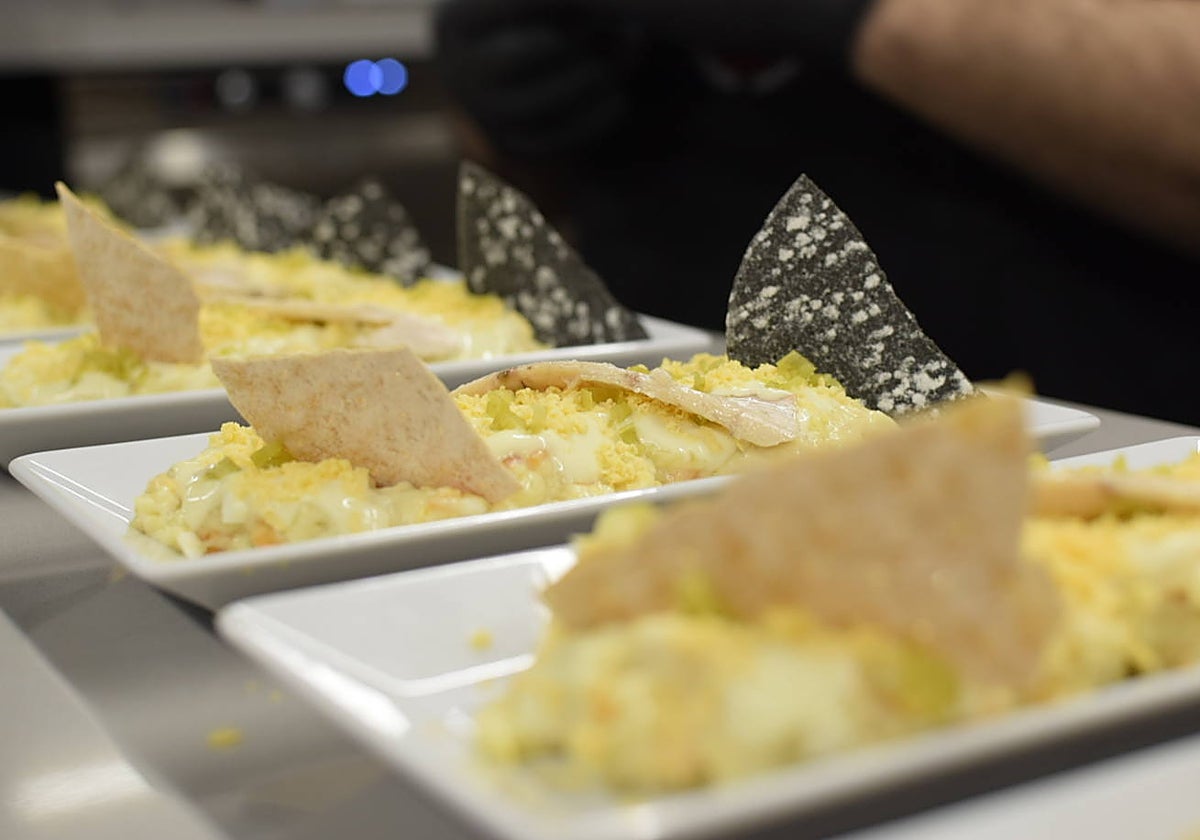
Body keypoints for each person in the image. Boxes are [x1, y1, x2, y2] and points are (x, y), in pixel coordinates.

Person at [434, 0, 1200, 424]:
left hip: (1098, 463)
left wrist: (863, 16)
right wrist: (510, 88)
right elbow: (530, 188)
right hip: (630, 447)